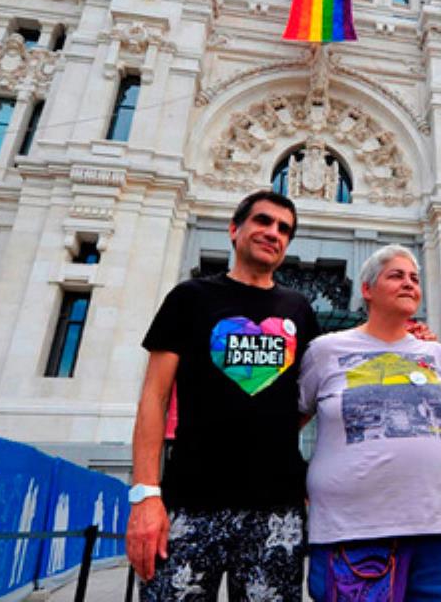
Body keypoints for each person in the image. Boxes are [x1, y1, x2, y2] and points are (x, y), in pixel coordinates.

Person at [126, 189, 320, 600]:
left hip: (276, 509)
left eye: (284, 229)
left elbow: (312, 393)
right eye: (263, 222)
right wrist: (145, 494)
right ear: (234, 230)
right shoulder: (189, 298)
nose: (273, 233)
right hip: (191, 501)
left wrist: (405, 334)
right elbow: (153, 399)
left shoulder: (299, 309)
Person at [299, 245, 441, 601]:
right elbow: (291, 422)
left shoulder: (439, 356)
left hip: (437, 527)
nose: (409, 284)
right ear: (367, 289)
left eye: (414, 278)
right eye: (396, 276)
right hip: (352, 527)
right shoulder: (325, 351)